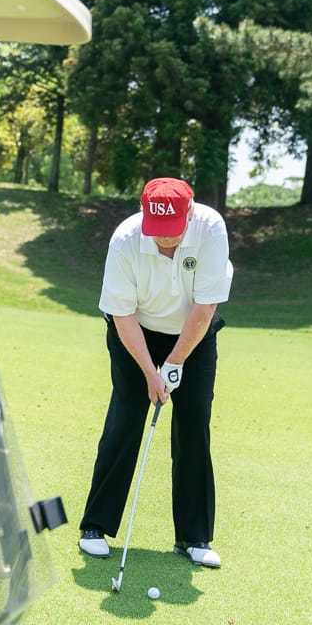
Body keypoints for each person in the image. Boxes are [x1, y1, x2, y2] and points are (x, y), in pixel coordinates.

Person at [78, 177, 233, 569]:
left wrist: (175, 363)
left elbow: (204, 308)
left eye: (172, 231)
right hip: (136, 334)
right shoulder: (126, 238)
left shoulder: (211, 228)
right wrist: (151, 372)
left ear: (190, 212)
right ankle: (95, 526)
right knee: (126, 417)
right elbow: (122, 314)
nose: (165, 241)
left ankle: (194, 537)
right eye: (157, 231)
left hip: (191, 337)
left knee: (194, 419)